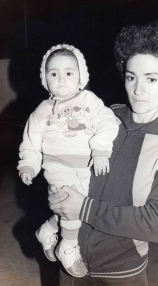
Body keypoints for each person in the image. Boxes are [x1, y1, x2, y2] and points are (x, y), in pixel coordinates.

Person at [48, 21, 158, 286]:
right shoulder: (105, 116)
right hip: (71, 260)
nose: (138, 90)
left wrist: (83, 208)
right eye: (131, 77)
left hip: (123, 271)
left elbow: (157, 225)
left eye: (151, 79)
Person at [17, 44, 119, 277]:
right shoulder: (41, 112)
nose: (61, 79)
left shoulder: (89, 100)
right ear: (45, 79)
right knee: (69, 201)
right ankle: (67, 247)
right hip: (56, 166)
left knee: (77, 208)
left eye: (69, 73)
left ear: (80, 76)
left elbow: (108, 122)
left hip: (85, 166)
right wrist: (28, 165)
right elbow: (31, 142)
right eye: (54, 74)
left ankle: (47, 230)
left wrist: (101, 150)